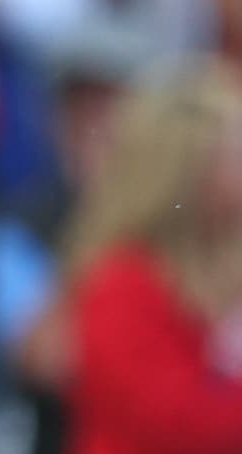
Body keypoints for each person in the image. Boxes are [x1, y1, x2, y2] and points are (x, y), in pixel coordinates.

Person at [59, 60, 242, 454]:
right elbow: (173, 423)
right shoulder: (120, 283)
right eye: (233, 155)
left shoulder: (228, 268)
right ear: (186, 169)